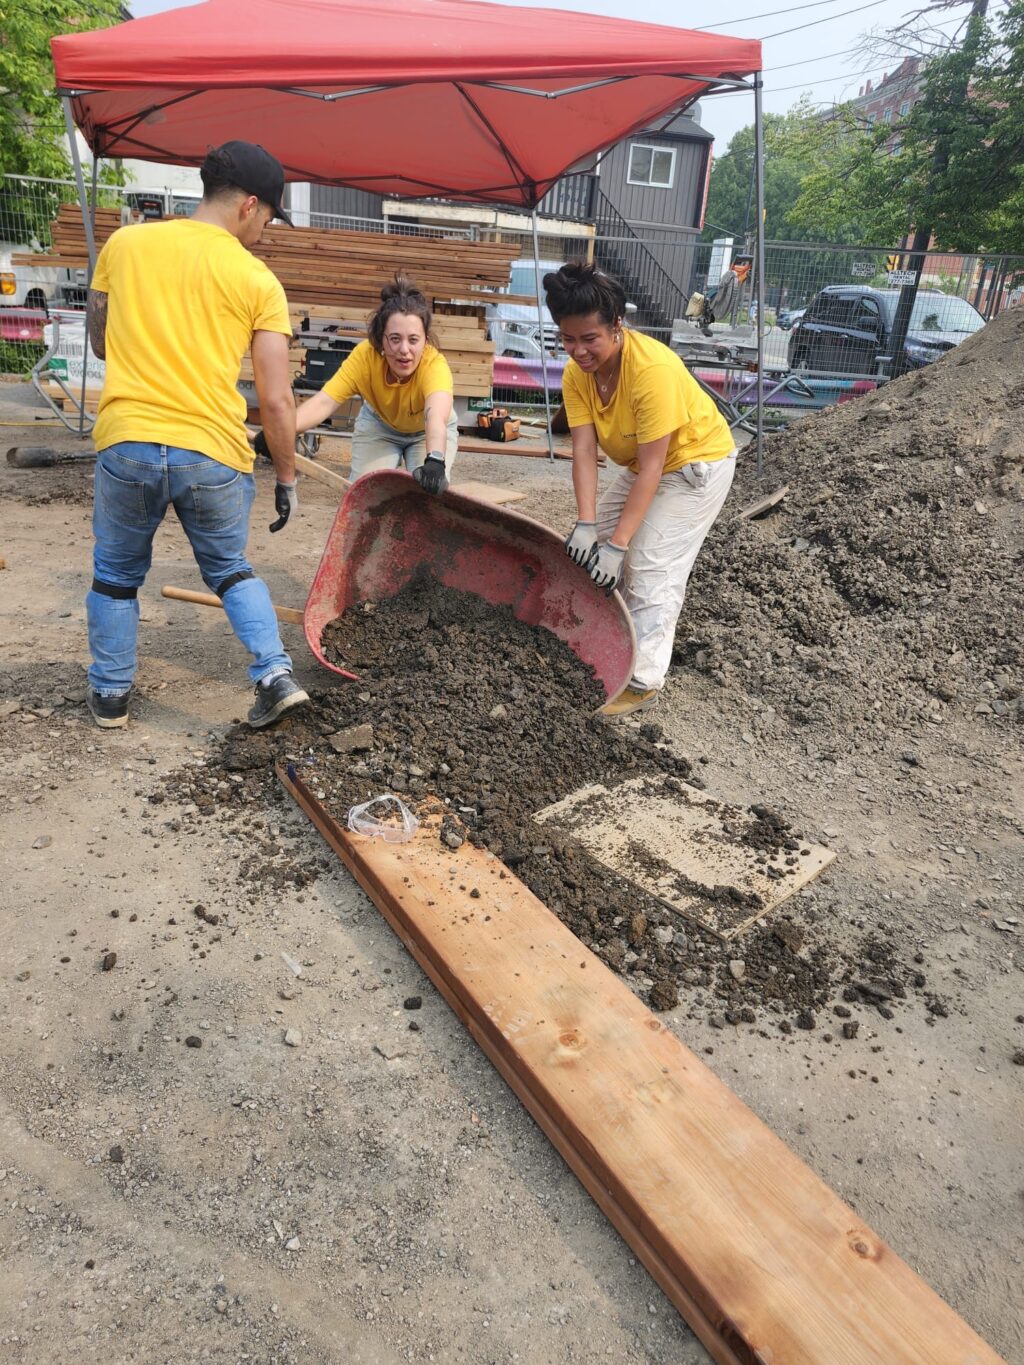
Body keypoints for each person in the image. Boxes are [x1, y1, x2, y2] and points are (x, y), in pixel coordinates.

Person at [85, 140, 309, 731]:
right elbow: (277, 397)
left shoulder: (126, 244)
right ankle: (274, 675)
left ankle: (110, 696)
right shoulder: (257, 279)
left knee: (115, 575)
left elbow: (100, 341)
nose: (266, 229)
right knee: (231, 569)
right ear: (249, 206)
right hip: (211, 452)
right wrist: (286, 476)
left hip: (127, 440)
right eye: (268, 218)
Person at [547, 261, 737, 721]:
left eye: (589, 339)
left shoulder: (652, 370)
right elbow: (584, 449)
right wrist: (589, 525)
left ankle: (642, 678)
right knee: (583, 554)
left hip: (695, 465)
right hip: (646, 465)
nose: (578, 351)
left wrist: (618, 545)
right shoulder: (578, 374)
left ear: (617, 326)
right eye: (568, 339)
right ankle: (592, 641)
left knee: (649, 563)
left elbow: (654, 469)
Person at [266, 275, 457, 494]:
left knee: (426, 496)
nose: (404, 349)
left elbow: (435, 417)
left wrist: (435, 460)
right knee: (366, 494)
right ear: (381, 339)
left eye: (413, 340)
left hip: (426, 432)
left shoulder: (434, 365)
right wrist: (280, 431)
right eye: (395, 339)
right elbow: (324, 402)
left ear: (425, 340)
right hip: (379, 425)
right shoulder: (364, 358)